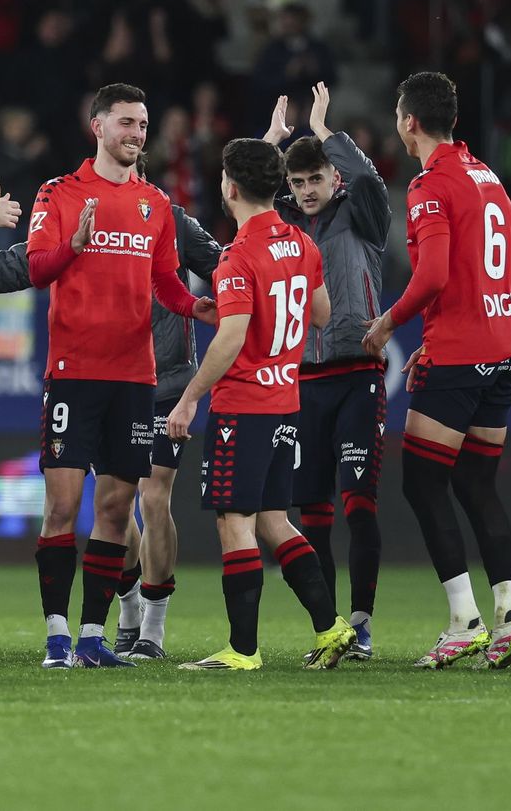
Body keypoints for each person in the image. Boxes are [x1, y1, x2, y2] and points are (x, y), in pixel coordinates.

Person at [25, 82, 215, 669]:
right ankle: (56, 636)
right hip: (74, 373)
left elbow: (164, 282)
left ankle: (90, 636)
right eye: (126, 123)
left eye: (142, 124)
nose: (137, 134)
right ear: (98, 127)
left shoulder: (156, 204)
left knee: (116, 508)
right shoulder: (58, 193)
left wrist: (195, 307)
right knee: (62, 509)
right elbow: (36, 268)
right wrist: (74, 246)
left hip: (136, 378)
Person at [363, 71, 511, 669]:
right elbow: (479, 274)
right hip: (506, 346)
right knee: (474, 483)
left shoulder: (430, 186)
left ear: (410, 121)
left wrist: (389, 324)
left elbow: (433, 275)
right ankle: (510, 611)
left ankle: (464, 620)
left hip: (462, 354)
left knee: (422, 482)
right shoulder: (490, 179)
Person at [166, 139, 351, 671]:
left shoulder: (238, 256)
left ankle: (242, 650)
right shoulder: (300, 243)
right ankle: (331, 625)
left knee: (235, 521)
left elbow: (230, 339)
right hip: (285, 400)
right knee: (275, 519)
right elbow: (320, 314)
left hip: (243, 404)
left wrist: (188, 399)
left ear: (230, 187)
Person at [261, 82, 391, 660]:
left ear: (332, 178)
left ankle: (361, 622)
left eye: (316, 179)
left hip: (357, 372)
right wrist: (271, 142)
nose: (308, 190)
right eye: (298, 182)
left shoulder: (361, 213)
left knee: (358, 504)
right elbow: (243, 192)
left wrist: (324, 129)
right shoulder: (281, 222)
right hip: (300, 382)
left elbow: (369, 182)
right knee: (310, 511)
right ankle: (332, 626)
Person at [115, 192, 222, 661]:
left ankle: (153, 630)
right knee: (114, 503)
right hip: (110, 379)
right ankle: (129, 604)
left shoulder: (174, 220)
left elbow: (227, 266)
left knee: (153, 496)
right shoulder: (87, 214)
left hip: (167, 381)